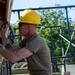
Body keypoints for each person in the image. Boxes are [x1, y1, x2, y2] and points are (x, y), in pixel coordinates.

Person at [0, 9, 52, 75]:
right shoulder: (28, 40)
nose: (18, 27)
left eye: (20, 24)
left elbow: (14, 58)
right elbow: (10, 48)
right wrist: (3, 36)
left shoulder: (36, 41)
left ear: (28, 26)